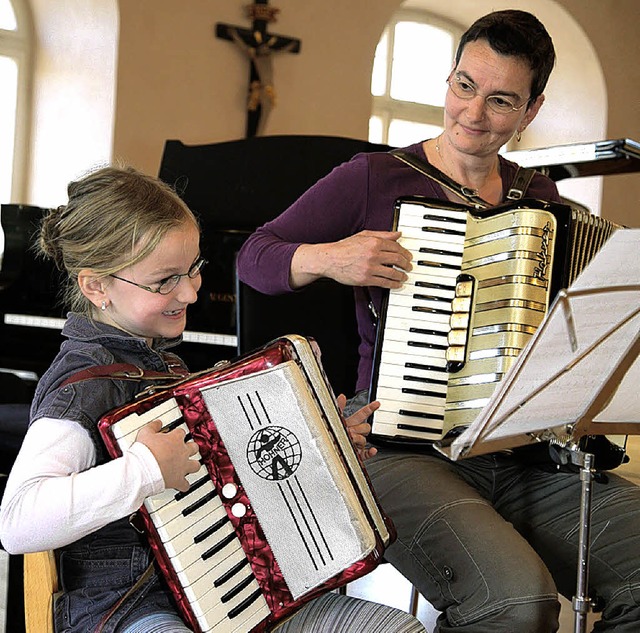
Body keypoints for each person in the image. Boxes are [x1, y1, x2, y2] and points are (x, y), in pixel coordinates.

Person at [236, 9, 640, 633]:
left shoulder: (545, 203)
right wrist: (330, 258)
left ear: (531, 112)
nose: (473, 115)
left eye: (501, 100)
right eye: (464, 87)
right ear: (449, 79)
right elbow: (253, 258)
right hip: (402, 447)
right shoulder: (373, 178)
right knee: (518, 601)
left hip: (523, 451)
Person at [0, 165, 426, 633]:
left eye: (193, 270)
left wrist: (323, 444)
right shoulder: (82, 388)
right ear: (97, 287)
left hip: (237, 590)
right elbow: (18, 522)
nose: (188, 292)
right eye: (164, 281)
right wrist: (143, 469)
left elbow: (239, 477)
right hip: (130, 610)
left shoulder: (167, 369)